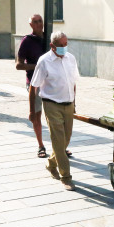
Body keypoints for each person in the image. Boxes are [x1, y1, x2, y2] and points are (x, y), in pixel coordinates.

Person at [29, 31, 80, 191]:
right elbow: (33, 86)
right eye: (61, 45)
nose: (65, 48)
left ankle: (51, 163)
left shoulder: (71, 58)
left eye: (66, 44)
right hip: (51, 103)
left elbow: (73, 82)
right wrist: (32, 110)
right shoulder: (44, 61)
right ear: (52, 46)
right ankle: (66, 176)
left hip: (68, 103)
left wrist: (74, 102)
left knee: (66, 139)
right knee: (58, 140)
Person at [16, 14, 49, 158]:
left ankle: (59, 145)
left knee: (54, 116)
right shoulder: (27, 41)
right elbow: (18, 65)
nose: (39, 24)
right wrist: (38, 67)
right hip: (34, 83)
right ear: (31, 25)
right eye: (35, 22)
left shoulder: (49, 39)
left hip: (50, 84)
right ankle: (41, 145)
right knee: (37, 115)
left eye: (40, 21)